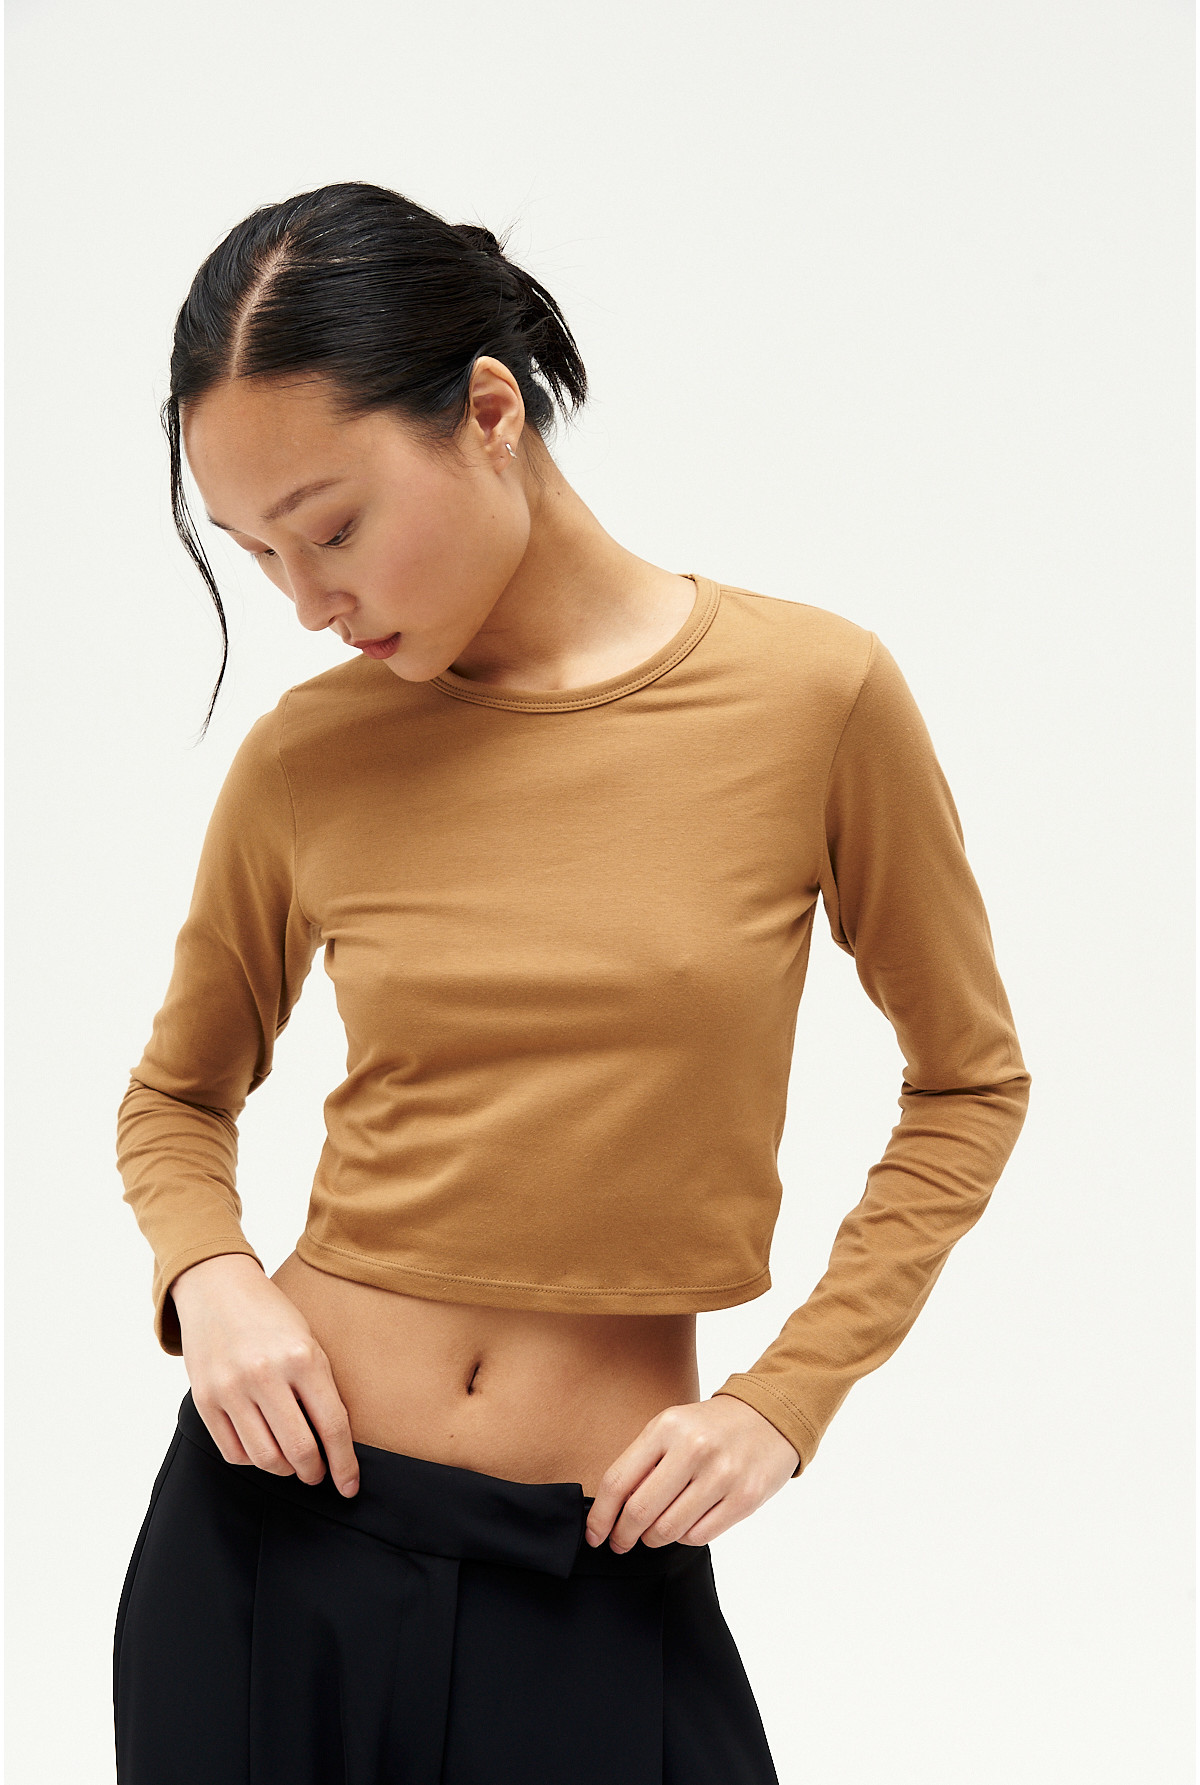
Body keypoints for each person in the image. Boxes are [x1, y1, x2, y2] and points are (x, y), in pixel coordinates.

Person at [111, 180, 1031, 1784]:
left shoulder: (811, 698)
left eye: (332, 528)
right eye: (259, 554)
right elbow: (176, 1096)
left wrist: (787, 1397)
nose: (309, 605)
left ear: (488, 414)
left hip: (590, 1557)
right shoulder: (307, 756)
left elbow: (969, 1082)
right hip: (265, 1544)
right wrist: (213, 1281)